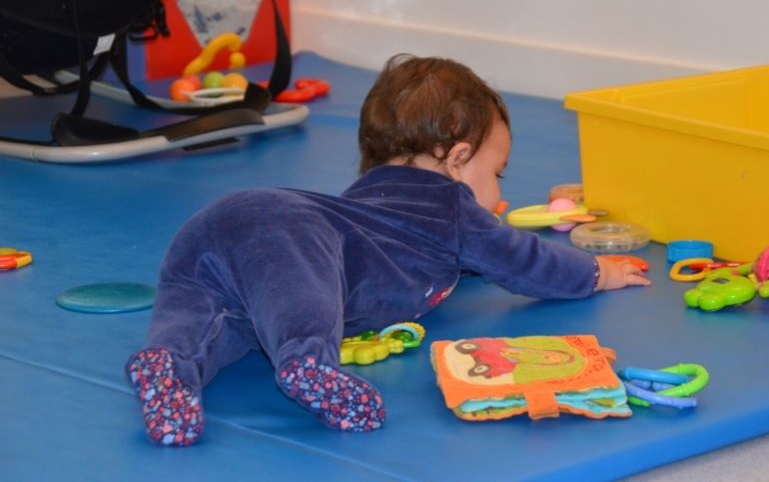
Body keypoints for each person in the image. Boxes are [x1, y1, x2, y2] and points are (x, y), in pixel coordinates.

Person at [125, 53, 651, 446]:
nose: (497, 191)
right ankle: (307, 364)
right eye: (496, 174)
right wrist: (596, 271)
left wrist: (468, 256)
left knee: (219, 319)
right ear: (457, 158)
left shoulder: (370, 203)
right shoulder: (451, 206)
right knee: (297, 295)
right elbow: (522, 261)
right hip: (280, 228)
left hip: (205, 236)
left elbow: (437, 255)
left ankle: (168, 367)